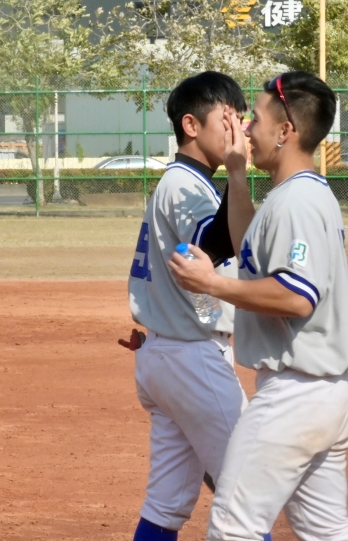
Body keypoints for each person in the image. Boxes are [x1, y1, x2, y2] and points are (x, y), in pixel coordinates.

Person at [170, 71, 348, 541]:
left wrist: (212, 283)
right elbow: (248, 245)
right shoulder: (290, 195)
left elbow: (295, 295)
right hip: (320, 390)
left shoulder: (299, 200)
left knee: (232, 530)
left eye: (256, 118)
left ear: (286, 131)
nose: (247, 128)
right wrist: (235, 172)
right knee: (327, 531)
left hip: (297, 393)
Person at [122, 71, 254, 541]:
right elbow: (212, 245)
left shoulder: (187, 183)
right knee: (248, 495)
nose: (238, 130)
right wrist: (239, 174)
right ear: (192, 126)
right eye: (228, 119)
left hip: (166, 355)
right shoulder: (185, 185)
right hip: (191, 357)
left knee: (166, 504)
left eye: (241, 119)